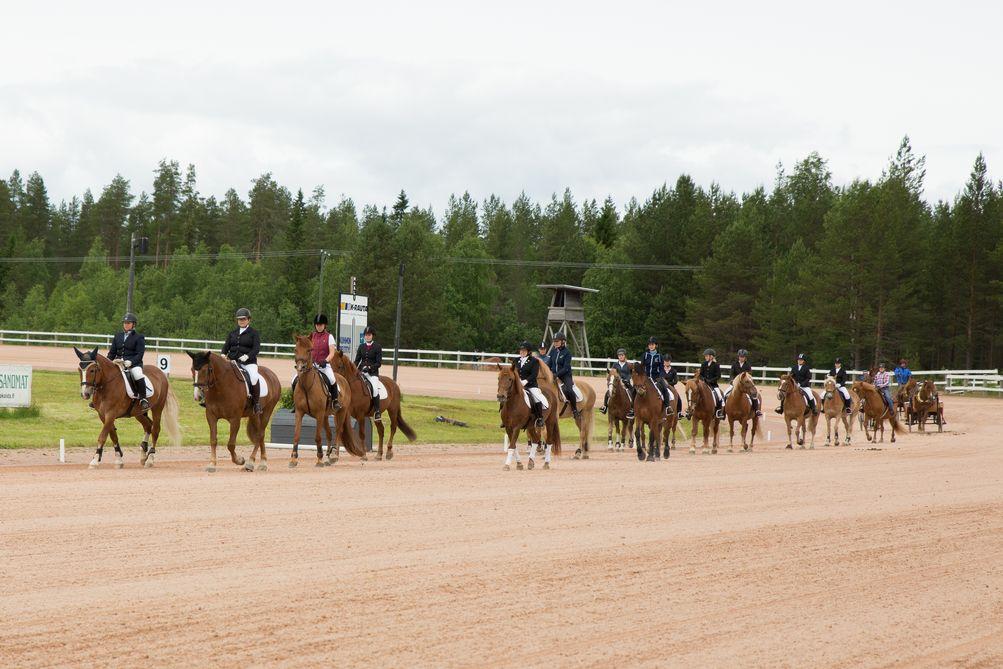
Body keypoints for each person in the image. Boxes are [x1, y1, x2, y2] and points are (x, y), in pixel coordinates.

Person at [293, 314, 341, 411]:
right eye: (317, 325)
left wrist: (325, 361)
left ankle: (335, 401)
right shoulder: (311, 337)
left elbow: (332, 352)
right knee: (294, 379)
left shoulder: (329, 337)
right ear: (315, 325)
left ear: (324, 325)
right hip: (311, 365)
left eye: (321, 325)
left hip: (324, 366)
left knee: (332, 379)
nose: (319, 326)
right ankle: (296, 403)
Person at [222, 307, 262, 414]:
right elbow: (226, 346)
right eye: (239, 319)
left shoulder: (254, 333)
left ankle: (256, 403)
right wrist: (222, 354)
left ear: (249, 320)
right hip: (232, 362)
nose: (241, 321)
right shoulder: (232, 333)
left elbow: (256, 348)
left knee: (254, 377)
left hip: (249, 363)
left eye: (244, 319)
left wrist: (247, 356)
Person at [108, 312, 150, 411]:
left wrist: (131, 362)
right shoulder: (117, 336)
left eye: (128, 323)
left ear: (133, 324)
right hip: (118, 363)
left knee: (138, 374)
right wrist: (108, 362)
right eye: (125, 323)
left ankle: (143, 398)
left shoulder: (139, 337)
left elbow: (140, 354)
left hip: (133, 363)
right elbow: (112, 352)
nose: (126, 324)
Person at [355, 325, 383, 421]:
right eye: (366, 335)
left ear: (372, 335)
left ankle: (377, 411)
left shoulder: (377, 347)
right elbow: (357, 361)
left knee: (375, 389)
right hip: (361, 372)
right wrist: (354, 370)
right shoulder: (361, 346)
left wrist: (370, 368)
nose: (367, 336)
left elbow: (379, 363)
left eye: (369, 335)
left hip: (372, 373)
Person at [549, 332, 580, 419]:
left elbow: (566, 368)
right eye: (554, 341)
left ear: (563, 341)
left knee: (569, 390)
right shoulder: (553, 352)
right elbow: (549, 363)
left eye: (557, 341)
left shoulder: (567, 353)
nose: (555, 343)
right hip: (553, 375)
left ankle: (574, 410)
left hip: (565, 376)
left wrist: (556, 375)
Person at [724, 349, 762, 417]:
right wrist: (732, 380)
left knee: (754, 394)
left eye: (743, 357)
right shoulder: (734, 364)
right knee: (725, 394)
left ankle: (756, 410)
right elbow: (731, 374)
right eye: (740, 356)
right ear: (738, 357)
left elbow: (749, 375)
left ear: (745, 357)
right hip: (735, 384)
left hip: (745, 385)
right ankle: (723, 411)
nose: (741, 358)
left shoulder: (748, 365)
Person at [516, 341, 545, 428]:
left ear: (528, 351)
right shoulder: (516, 360)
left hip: (530, 385)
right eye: (521, 350)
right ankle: (505, 418)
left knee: (536, 397)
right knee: (507, 395)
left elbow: (534, 375)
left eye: (524, 350)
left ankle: (539, 418)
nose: (522, 352)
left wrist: (525, 381)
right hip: (518, 385)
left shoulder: (534, 361)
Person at [600, 348, 634, 419]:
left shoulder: (629, 365)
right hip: (617, 382)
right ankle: (605, 406)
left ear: (625, 356)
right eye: (619, 355)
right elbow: (612, 372)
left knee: (632, 392)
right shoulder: (615, 364)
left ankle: (632, 409)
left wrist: (626, 379)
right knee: (608, 392)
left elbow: (630, 374)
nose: (620, 357)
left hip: (626, 383)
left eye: (622, 355)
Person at [642, 336, 671, 417]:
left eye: (652, 344)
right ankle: (632, 409)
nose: (651, 346)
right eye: (649, 344)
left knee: (665, 388)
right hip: (646, 378)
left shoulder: (659, 356)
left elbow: (662, 369)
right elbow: (642, 366)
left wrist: (660, 377)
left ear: (656, 345)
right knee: (635, 388)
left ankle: (668, 407)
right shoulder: (645, 355)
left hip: (656, 378)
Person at [699, 348, 724, 419]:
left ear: (711, 356)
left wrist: (711, 380)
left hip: (713, 385)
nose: (705, 357)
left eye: (707, 356)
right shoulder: (704, 364)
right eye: (705, 356)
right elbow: (701, 374)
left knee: (719, 397)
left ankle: (719, 411)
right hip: (704, 384)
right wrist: (703, 379)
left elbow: (718, 376)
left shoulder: (716, 365)